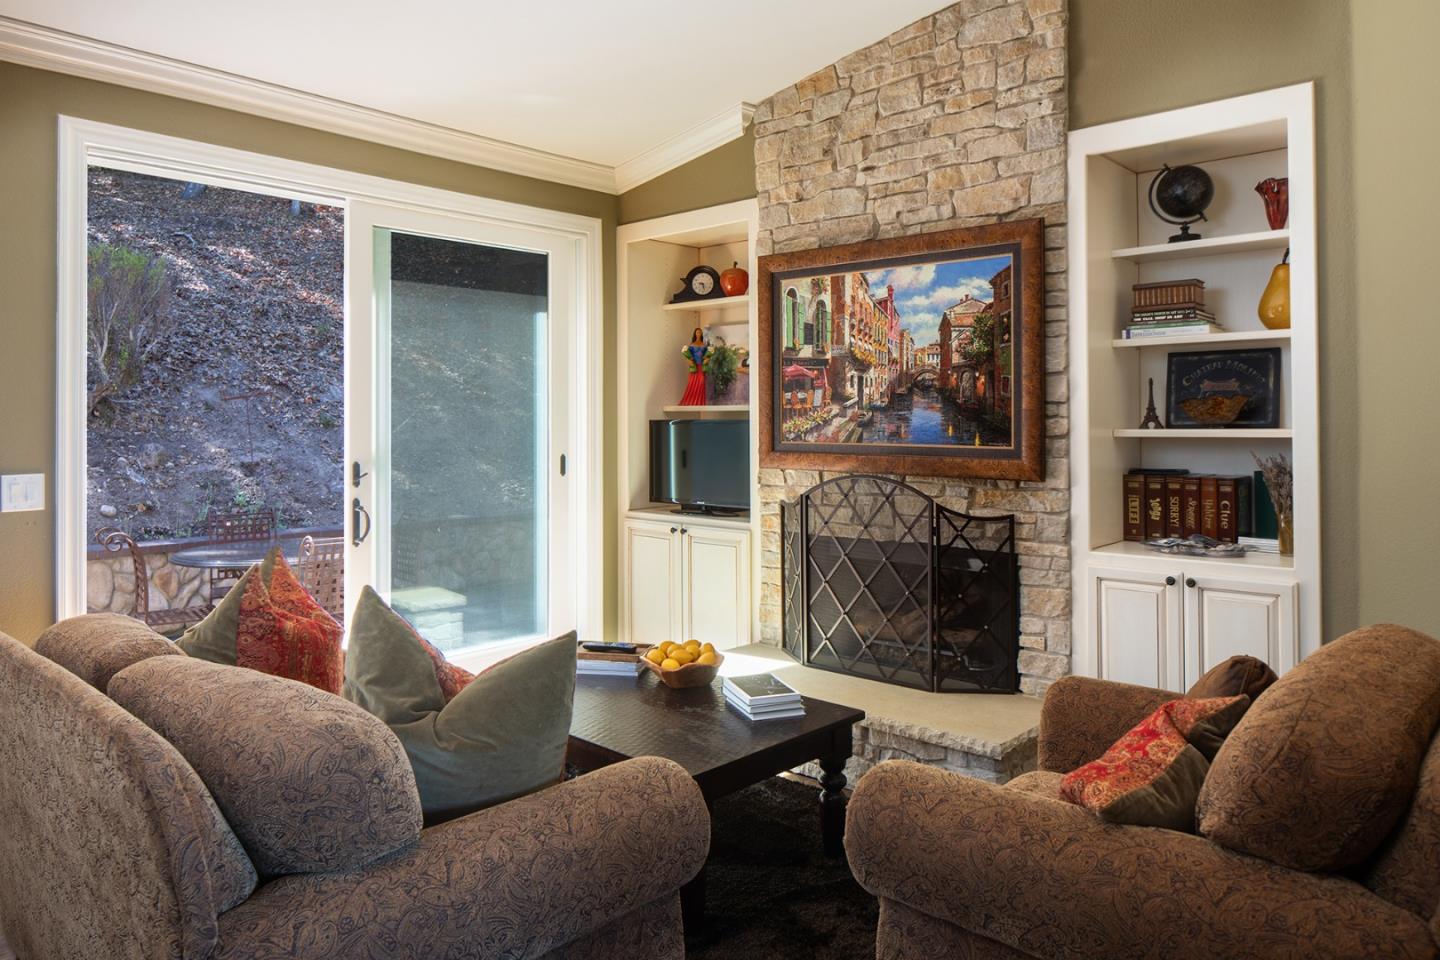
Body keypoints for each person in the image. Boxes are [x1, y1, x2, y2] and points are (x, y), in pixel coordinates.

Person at [679, 327, 708, 406]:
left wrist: (707, 359)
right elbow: (688, 355)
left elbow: (707, 355)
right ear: (695, 334)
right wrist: (688, 361)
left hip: (701, 366)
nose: (698, 334)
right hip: (694, 367)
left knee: (701, 382)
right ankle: (690, 402)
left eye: (700, 332)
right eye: (697, 332)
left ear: (701, 334)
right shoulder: (691, 345)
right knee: (692, 383)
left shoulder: (704, 345)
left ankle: (700, 402)